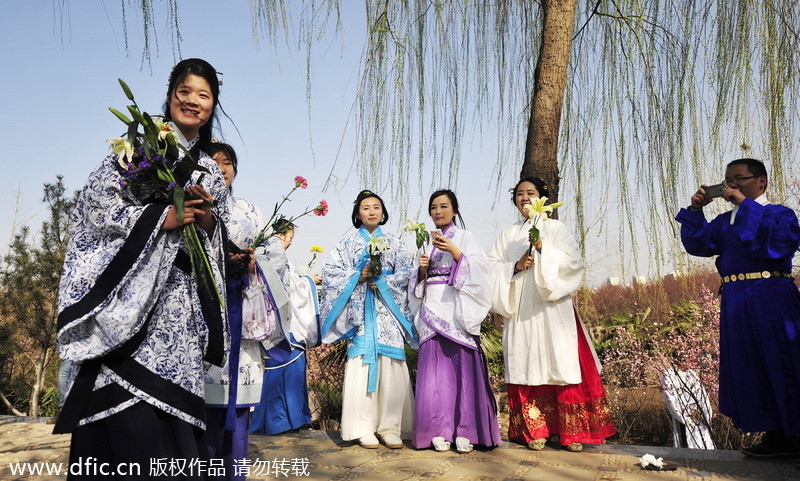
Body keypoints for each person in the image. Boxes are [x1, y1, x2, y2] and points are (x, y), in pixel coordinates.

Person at [54, 58, 230, 479]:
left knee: (172, 414)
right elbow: (95, 206)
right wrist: (159, 219)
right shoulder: (138, 147)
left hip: (179, 306)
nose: (192, 101)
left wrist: (207, 219)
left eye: (203, 95)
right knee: (122, 410)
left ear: (212, 106)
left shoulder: (211, 170)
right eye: (184, 91)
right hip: (129, 300)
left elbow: (218, 236)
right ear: (169, 96)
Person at [676, 157, 800, 457]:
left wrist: (744, 204)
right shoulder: (724, 221)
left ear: (761, 182)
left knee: (780, 360)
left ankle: (794, 433)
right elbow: (699, 245)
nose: (732, 185)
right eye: (728, 180)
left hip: (771, 295)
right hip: (735, 300)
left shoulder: (779, 213)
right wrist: (695, 210)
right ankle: (775, 435)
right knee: (750, 364)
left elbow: (782, 242)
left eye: (739, 179)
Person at [488, 177, 614, 452]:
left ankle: (571, 432)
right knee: (526, 365)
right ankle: (535, 431)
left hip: (552, 308)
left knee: (561, 364)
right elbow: (490, 267)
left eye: (530, 193)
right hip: (522, 310)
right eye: (519, 193)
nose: (524, 198)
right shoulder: (508, 234)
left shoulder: (556, 228)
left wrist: (543, 248)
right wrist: (514, 266)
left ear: (542, 198)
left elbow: (574, 263)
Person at [320, 190, 417, 449]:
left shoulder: (395, 243)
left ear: (383, 213)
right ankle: (363, 427)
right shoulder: (346, 244)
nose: (372, 211)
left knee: (391, 366)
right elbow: (330, 273)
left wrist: (382, 281)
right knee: (362, 365)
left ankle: (390, 427)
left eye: (376, 207)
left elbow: (407, 275)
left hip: (388, 312)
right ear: (357, 215)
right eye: (366, 208)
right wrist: (359, 276)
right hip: (361, 315)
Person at [408, 189, 501, 453]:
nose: (438, 211)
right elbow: (416, 284)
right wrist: (422, 270)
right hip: (431, 310)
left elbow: (481, 271)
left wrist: (456, 252)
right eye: (433, 207)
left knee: (463, 373)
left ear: (455, 211)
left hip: (458, 310)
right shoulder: (425, 243)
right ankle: (436, 430)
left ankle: (466, 430)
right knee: (434, 376)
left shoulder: (465, 238)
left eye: (443, 206)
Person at [203, 142, 268, 480]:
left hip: (242, 313)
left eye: (227, 162)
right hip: (204, 314)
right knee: (200, 413)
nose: (221, 168)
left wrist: (255, 263)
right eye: (214, 162)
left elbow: (275, 257)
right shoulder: (191, 207)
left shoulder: (250, 211)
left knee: (239, 409)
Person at [250, 219, 321, 435]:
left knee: (276, 372)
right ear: (281, 235)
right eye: (289, 238)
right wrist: (309, 281)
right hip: (284, 323)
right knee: (289, 370)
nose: (290, 243)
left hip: (271, 322)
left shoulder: (264, 253)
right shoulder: (276, 255)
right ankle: (288, 421)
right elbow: (288, 286)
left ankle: (275, 421)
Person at [660, 362, 715, 449]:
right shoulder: (669, 375)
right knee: (685, 444)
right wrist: (685, 414)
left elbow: (701, 394)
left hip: (698, 416)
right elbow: (670, 398)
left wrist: (702, 412)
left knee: (702, 442)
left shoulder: (691, 373)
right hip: (683, 417)